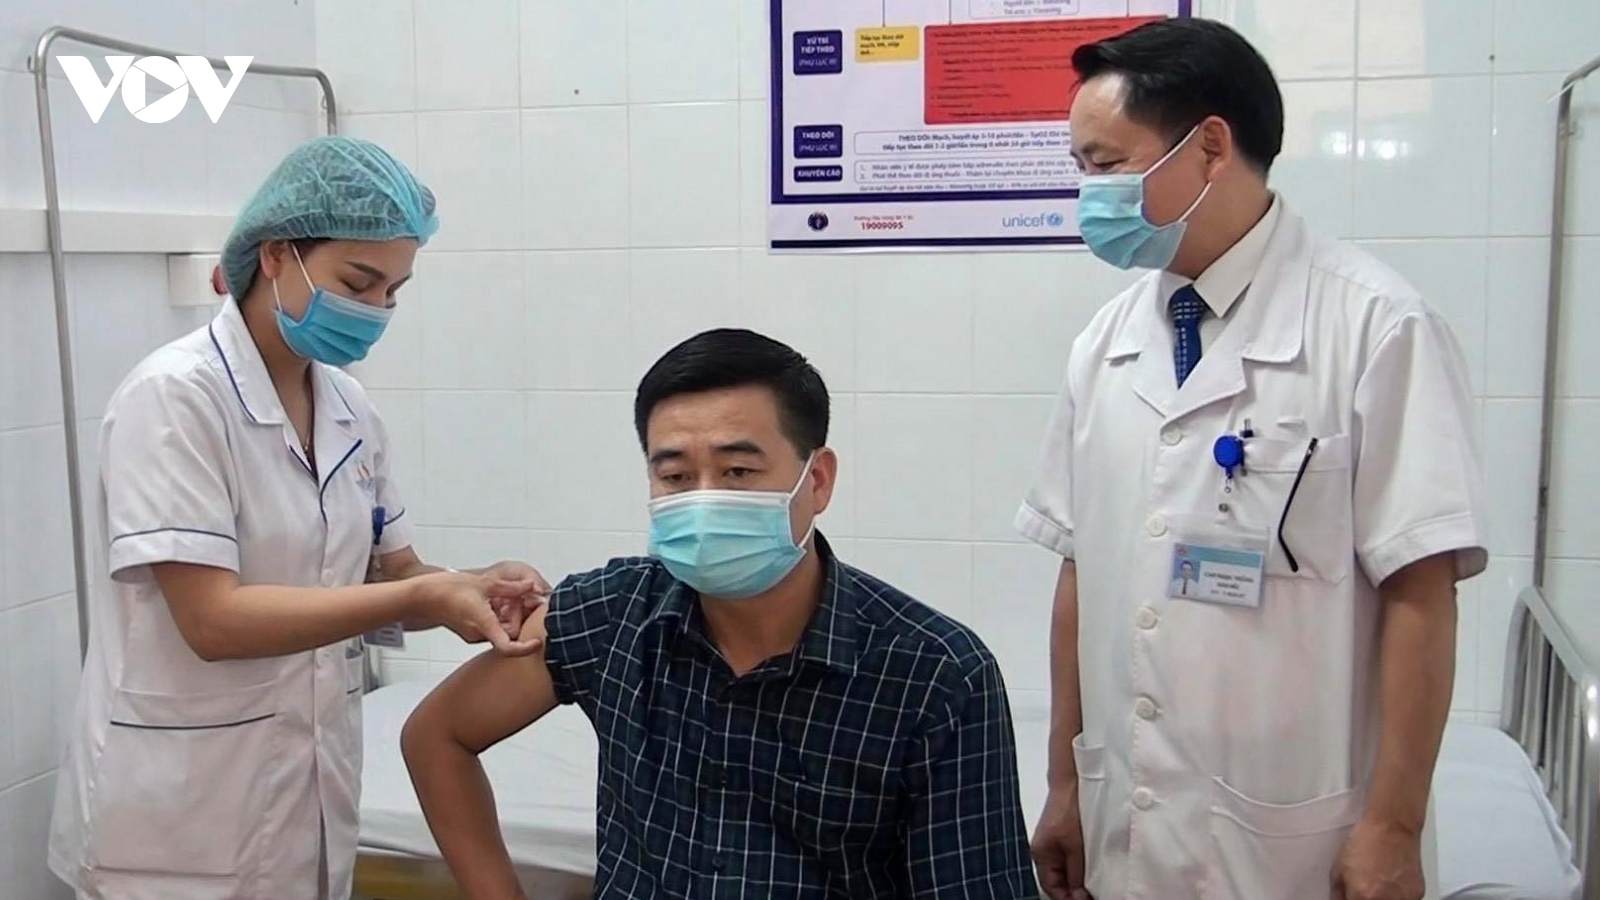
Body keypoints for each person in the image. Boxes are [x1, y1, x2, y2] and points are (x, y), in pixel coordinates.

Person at [1016, 18, 1487, 900]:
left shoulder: (1376, 327)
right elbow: (1079, 570)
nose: (1089, 194)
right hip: (1128, 822)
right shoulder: (1105, 345)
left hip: (1295, 838)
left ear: (1210, 147)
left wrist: (1394, 826)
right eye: (1080, 167)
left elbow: (1421, 588)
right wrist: (1065, 783)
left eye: (1107, 164)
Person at [48, 135, 550, 900]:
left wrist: (471, 587)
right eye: (358, 282)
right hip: (177, 820)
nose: (376, 310)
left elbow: (390, 572)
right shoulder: (175, 398)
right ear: (277, 255)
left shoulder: (349, 408)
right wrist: (422, 594)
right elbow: (212, 621)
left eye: (393, 291)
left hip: (307, 797)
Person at [401, 328, 1039, 900]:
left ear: (817, 480)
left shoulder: (933, 674)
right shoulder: (614, 614)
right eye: (676, 477)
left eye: (737, 470)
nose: (705, 500)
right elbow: (437, 737)